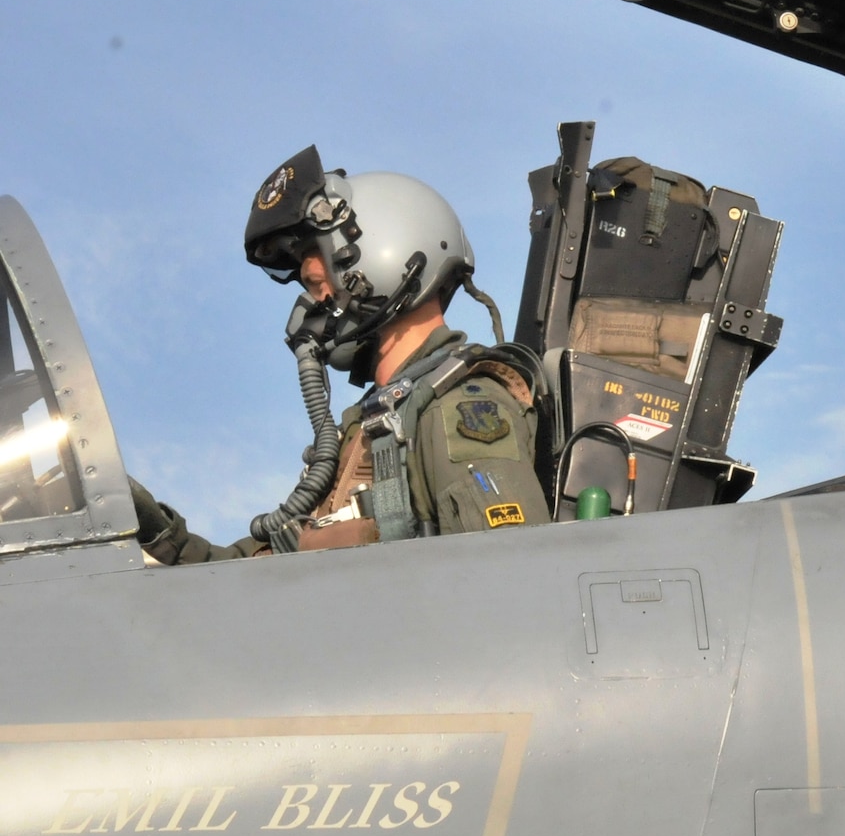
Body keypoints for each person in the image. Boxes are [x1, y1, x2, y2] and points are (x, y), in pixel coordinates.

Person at [133, 146, 550, 563]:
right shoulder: (368, 430)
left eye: (318, 286)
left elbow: (511, 577)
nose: (312, 309)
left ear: (382, 256)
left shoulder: (460, 410)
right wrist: (158, 536)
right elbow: (252, 573)